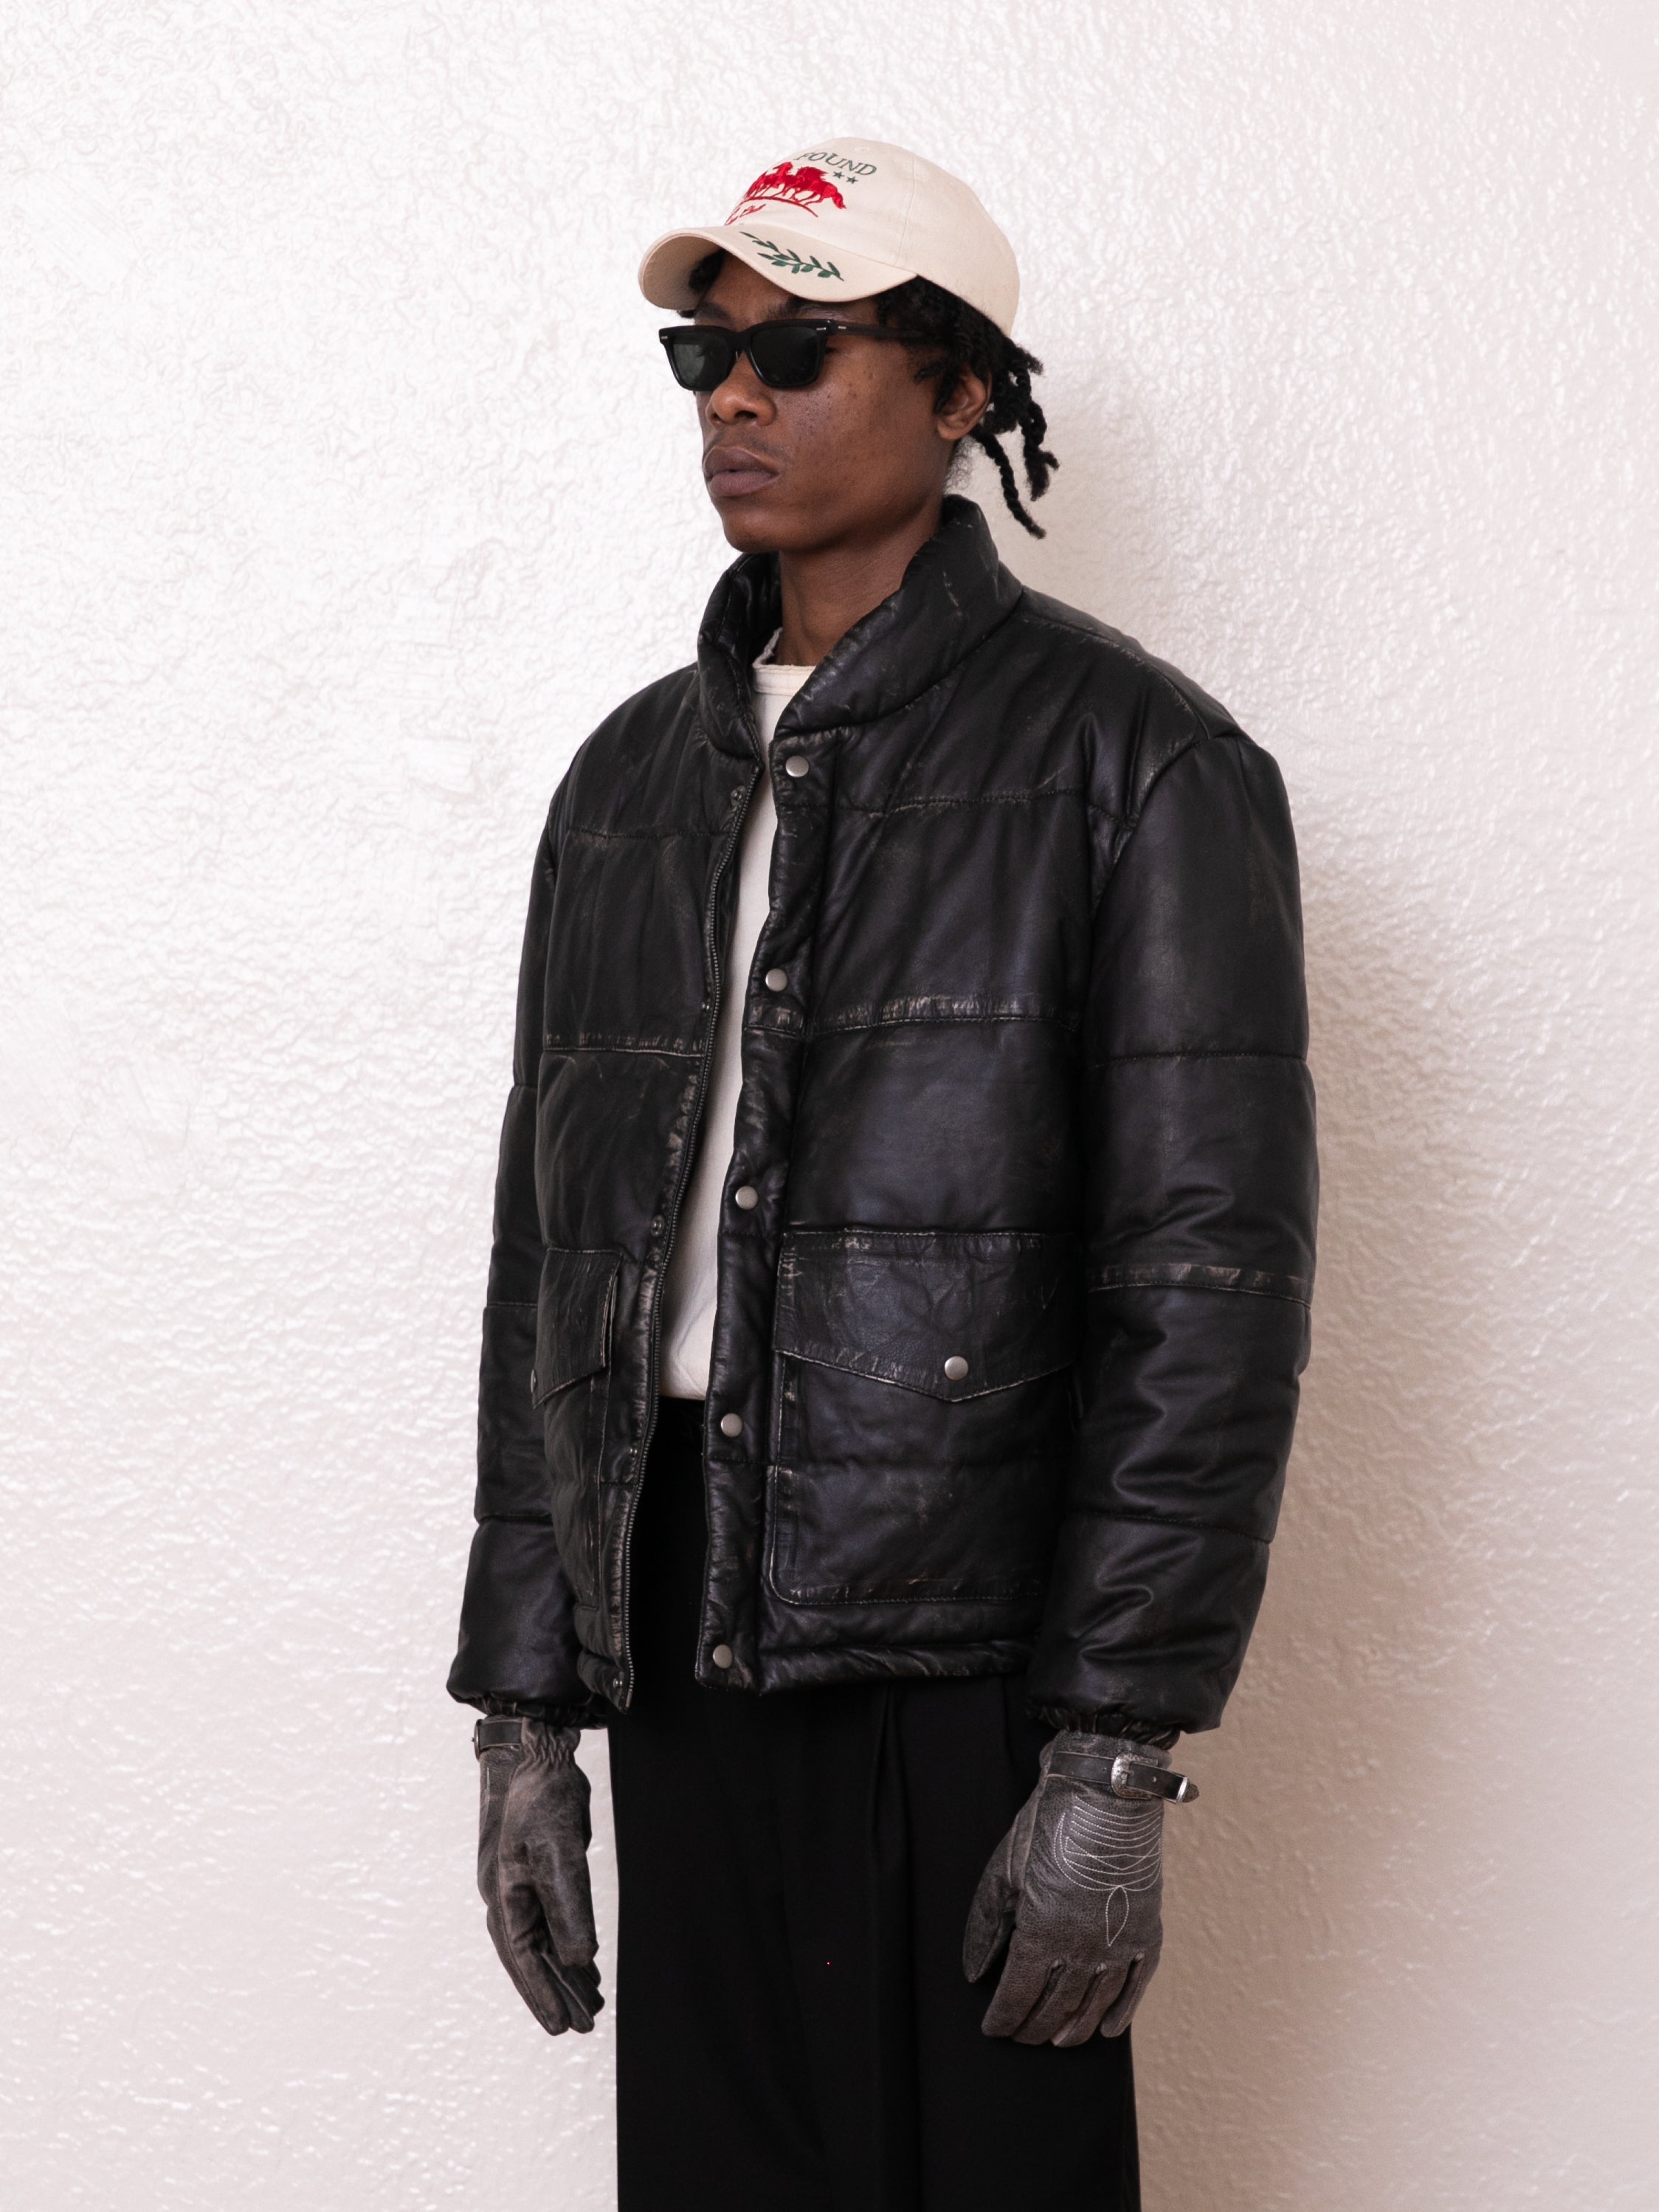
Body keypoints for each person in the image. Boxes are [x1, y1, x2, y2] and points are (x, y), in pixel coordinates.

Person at [449, 138, 1317, 2212]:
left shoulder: (1144, 767)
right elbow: (547, 1265)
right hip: (670, 1609)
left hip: (967, 1642)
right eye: (707, 358)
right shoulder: (629, 782)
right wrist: (521, 1707)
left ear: (961, 396)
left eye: (803, 350)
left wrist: (1113, 1752)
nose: (736, 400)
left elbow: (1210, 1291)